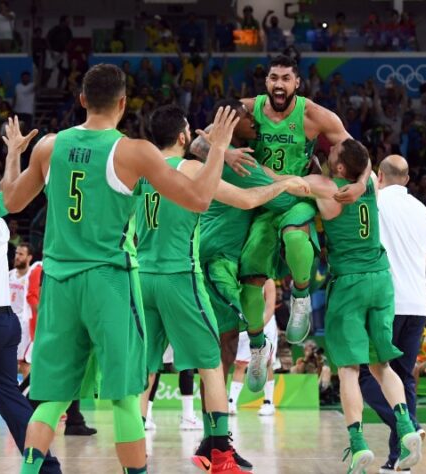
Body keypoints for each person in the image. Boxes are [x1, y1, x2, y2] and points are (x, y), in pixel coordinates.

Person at [0, 63, 236, 474]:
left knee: (51, 400)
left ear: (82, 100)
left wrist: (14, 154)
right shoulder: (132, 150)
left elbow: (12, 202)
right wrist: (218, 149)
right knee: (126, 396)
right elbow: (198, 198)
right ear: (124, 104)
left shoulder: (49, 146)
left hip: (58, 282)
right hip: (109, 282)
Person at [135, 104, 307, 472]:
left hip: (142, 276)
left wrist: (216, 146)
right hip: (179, 274)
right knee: (212, 363)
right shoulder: (194, 170)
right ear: (182, 136)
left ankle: (132, 455)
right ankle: (219, 454)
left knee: (145, 371)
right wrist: (286, 183)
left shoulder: (139, 173)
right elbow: (246, 199)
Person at [304, 139, 422, 473]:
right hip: (381, 281)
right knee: (383, 365)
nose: (329, 154)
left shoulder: (325, 188)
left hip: (350, 283)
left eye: (334, 155)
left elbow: (279, 181)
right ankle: (407, 427)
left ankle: (358, 446)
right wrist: (357, 177)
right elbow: (367, 163)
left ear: (340, 167)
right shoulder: (368, 183)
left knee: (349, 371)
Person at [190, 98, 309, 394]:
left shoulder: (221, 155)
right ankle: (259, 344)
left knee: (225, 342)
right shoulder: (240, 162)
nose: (255, 123)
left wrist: (224, 153)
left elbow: (197, 144)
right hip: (212, 258)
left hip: (223, 257)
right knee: (242, 320)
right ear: (230, 123)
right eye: (248, 119)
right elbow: (279, 199)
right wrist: (300, 185)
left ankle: (213, 429)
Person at [356, 154, 426, 474]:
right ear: (409, 178)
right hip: (417, 304)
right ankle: (397, 460)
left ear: (381, 177)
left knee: (364, 375)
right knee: (403, 380)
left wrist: (370, 182)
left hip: (385, 302)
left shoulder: (376, 203)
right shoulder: (424, 212)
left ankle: (408, 427)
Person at [0, 174, 61, 474]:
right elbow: (10, 192)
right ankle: (48, 467)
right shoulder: (0, 225)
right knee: (10, 399)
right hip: (5, 322)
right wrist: (14, 154)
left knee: (10, 398)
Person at [229, 279, 279, 416]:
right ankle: (231, 403)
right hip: (246, 324)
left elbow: (270, 307)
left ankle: (269, 403)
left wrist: (259, 326)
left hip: (265, 325)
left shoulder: (268, 281)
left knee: (266, 363)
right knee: (240, 364)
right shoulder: (239, 278)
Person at [9, 242, 34, 378]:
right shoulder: (9, 275)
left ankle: (24, 396)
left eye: (21, 254)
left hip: (24, 327)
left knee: (24, 364)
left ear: (29, 257)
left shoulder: (32, 276)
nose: (17, 257)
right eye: (16, 253)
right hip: (8, 323)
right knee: (7, 363)